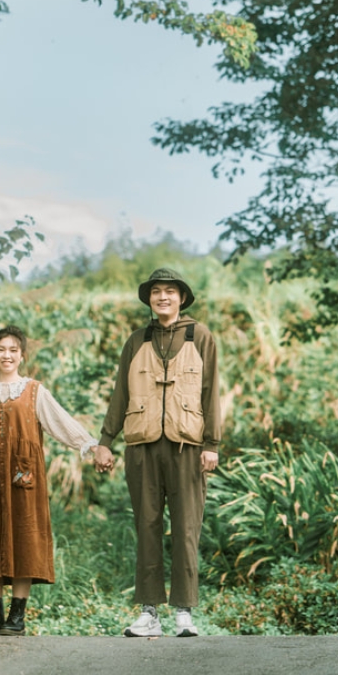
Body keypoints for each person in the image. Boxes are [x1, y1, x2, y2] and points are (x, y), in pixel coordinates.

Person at [91, 268, 223, 638]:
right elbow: (120, 393)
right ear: (149, 299)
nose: (162, 297)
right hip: (142, 448)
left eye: (170, 291)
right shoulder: (136, 340)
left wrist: (212, 444)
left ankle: (184, 612)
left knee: (186, 528)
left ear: (182, 297)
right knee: (146, 526)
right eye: (156, 292)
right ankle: (149, 612)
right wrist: (105, 440)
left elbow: (211, 392)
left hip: (188, 446)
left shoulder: (201, 337)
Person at [0, 325, 100, 636]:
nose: (6, 355)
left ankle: (17, 615)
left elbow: (59, 421)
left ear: (22, 355)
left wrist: (88, 443)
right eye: (0, 349)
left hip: (24, 476)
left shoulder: (34, 391)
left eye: (12, 350)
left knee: (25, 538)